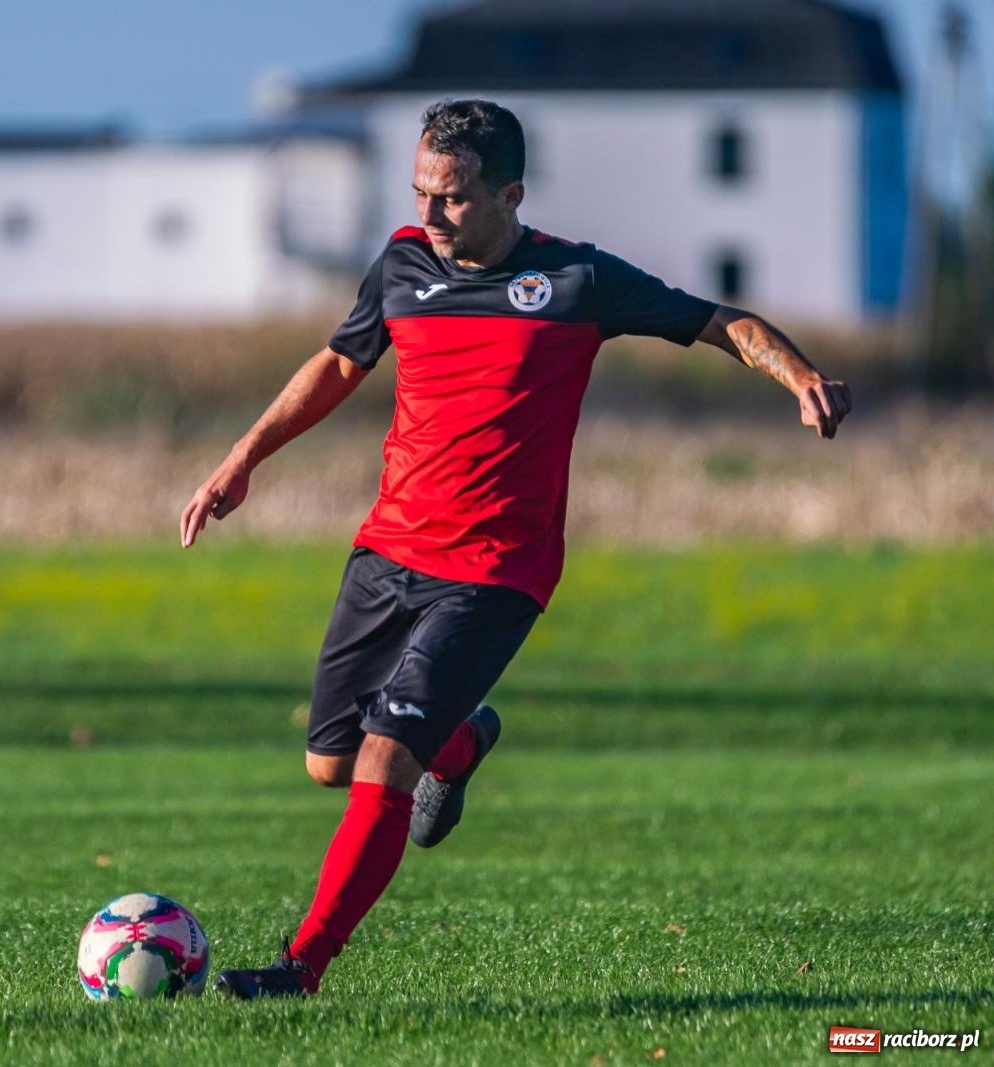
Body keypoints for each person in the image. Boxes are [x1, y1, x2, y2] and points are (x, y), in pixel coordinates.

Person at [179, 99, 851, 999]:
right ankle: (458, 745)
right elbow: (340, 363)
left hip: (496, 571)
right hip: (387, 552)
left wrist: (800, 374)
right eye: (421, 191)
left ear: (510, 194)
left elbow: (717, 320)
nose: (430, 213)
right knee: (330, 763)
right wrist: (241, 458)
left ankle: (301, 970)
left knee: (382, 759)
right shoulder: (401, 264)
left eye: (452, 198)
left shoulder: (578, 280)